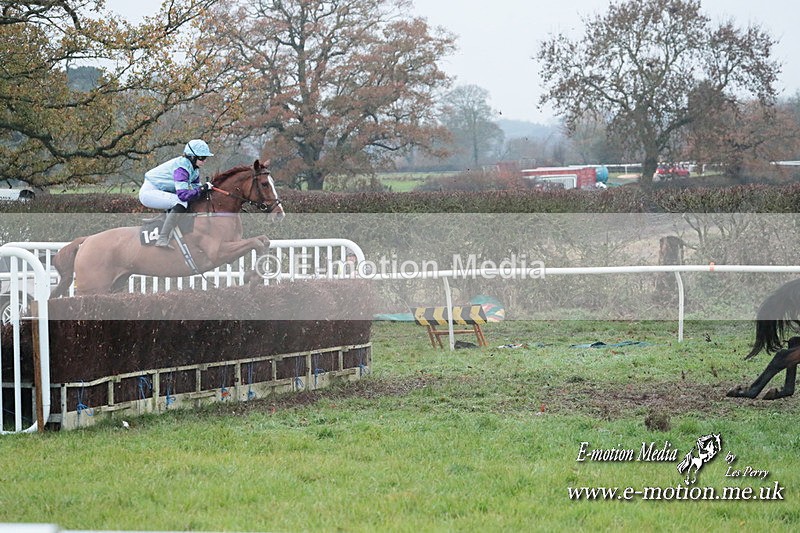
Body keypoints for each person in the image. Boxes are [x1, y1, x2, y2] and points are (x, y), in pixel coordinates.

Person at [139, 139, 214, 249]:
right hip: (149, 192)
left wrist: (206, 189)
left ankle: (167, 224)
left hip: (159, 191)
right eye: (202, 158)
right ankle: (162, 238)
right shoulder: (181, 168)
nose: (204, 161)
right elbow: (183, 195)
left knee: (185, 201)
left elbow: (196, 190)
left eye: (205, 158)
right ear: (192, 157)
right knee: (181, 201)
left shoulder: (194, 169)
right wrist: (203, 188)